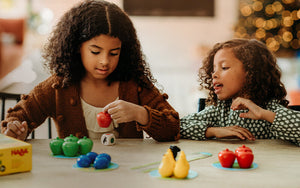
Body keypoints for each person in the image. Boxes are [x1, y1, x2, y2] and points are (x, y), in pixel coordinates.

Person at [0, 0, 180, 142]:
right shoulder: (59, 86)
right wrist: (15, 130)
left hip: (128, 175)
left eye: (114, 53)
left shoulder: (133, 83)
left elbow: (173, 128)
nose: (104, 61)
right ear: (77, 47)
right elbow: (16, 118)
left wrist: (141, 114)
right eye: (95, 51)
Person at [180, 38, 300, 146]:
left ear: (251, 72)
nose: (214, 75)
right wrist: (212, 131)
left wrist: (263, 114)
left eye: (224, 67)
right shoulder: (220, 111)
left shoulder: (270, 109)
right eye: (214, 69)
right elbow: (175, 127)